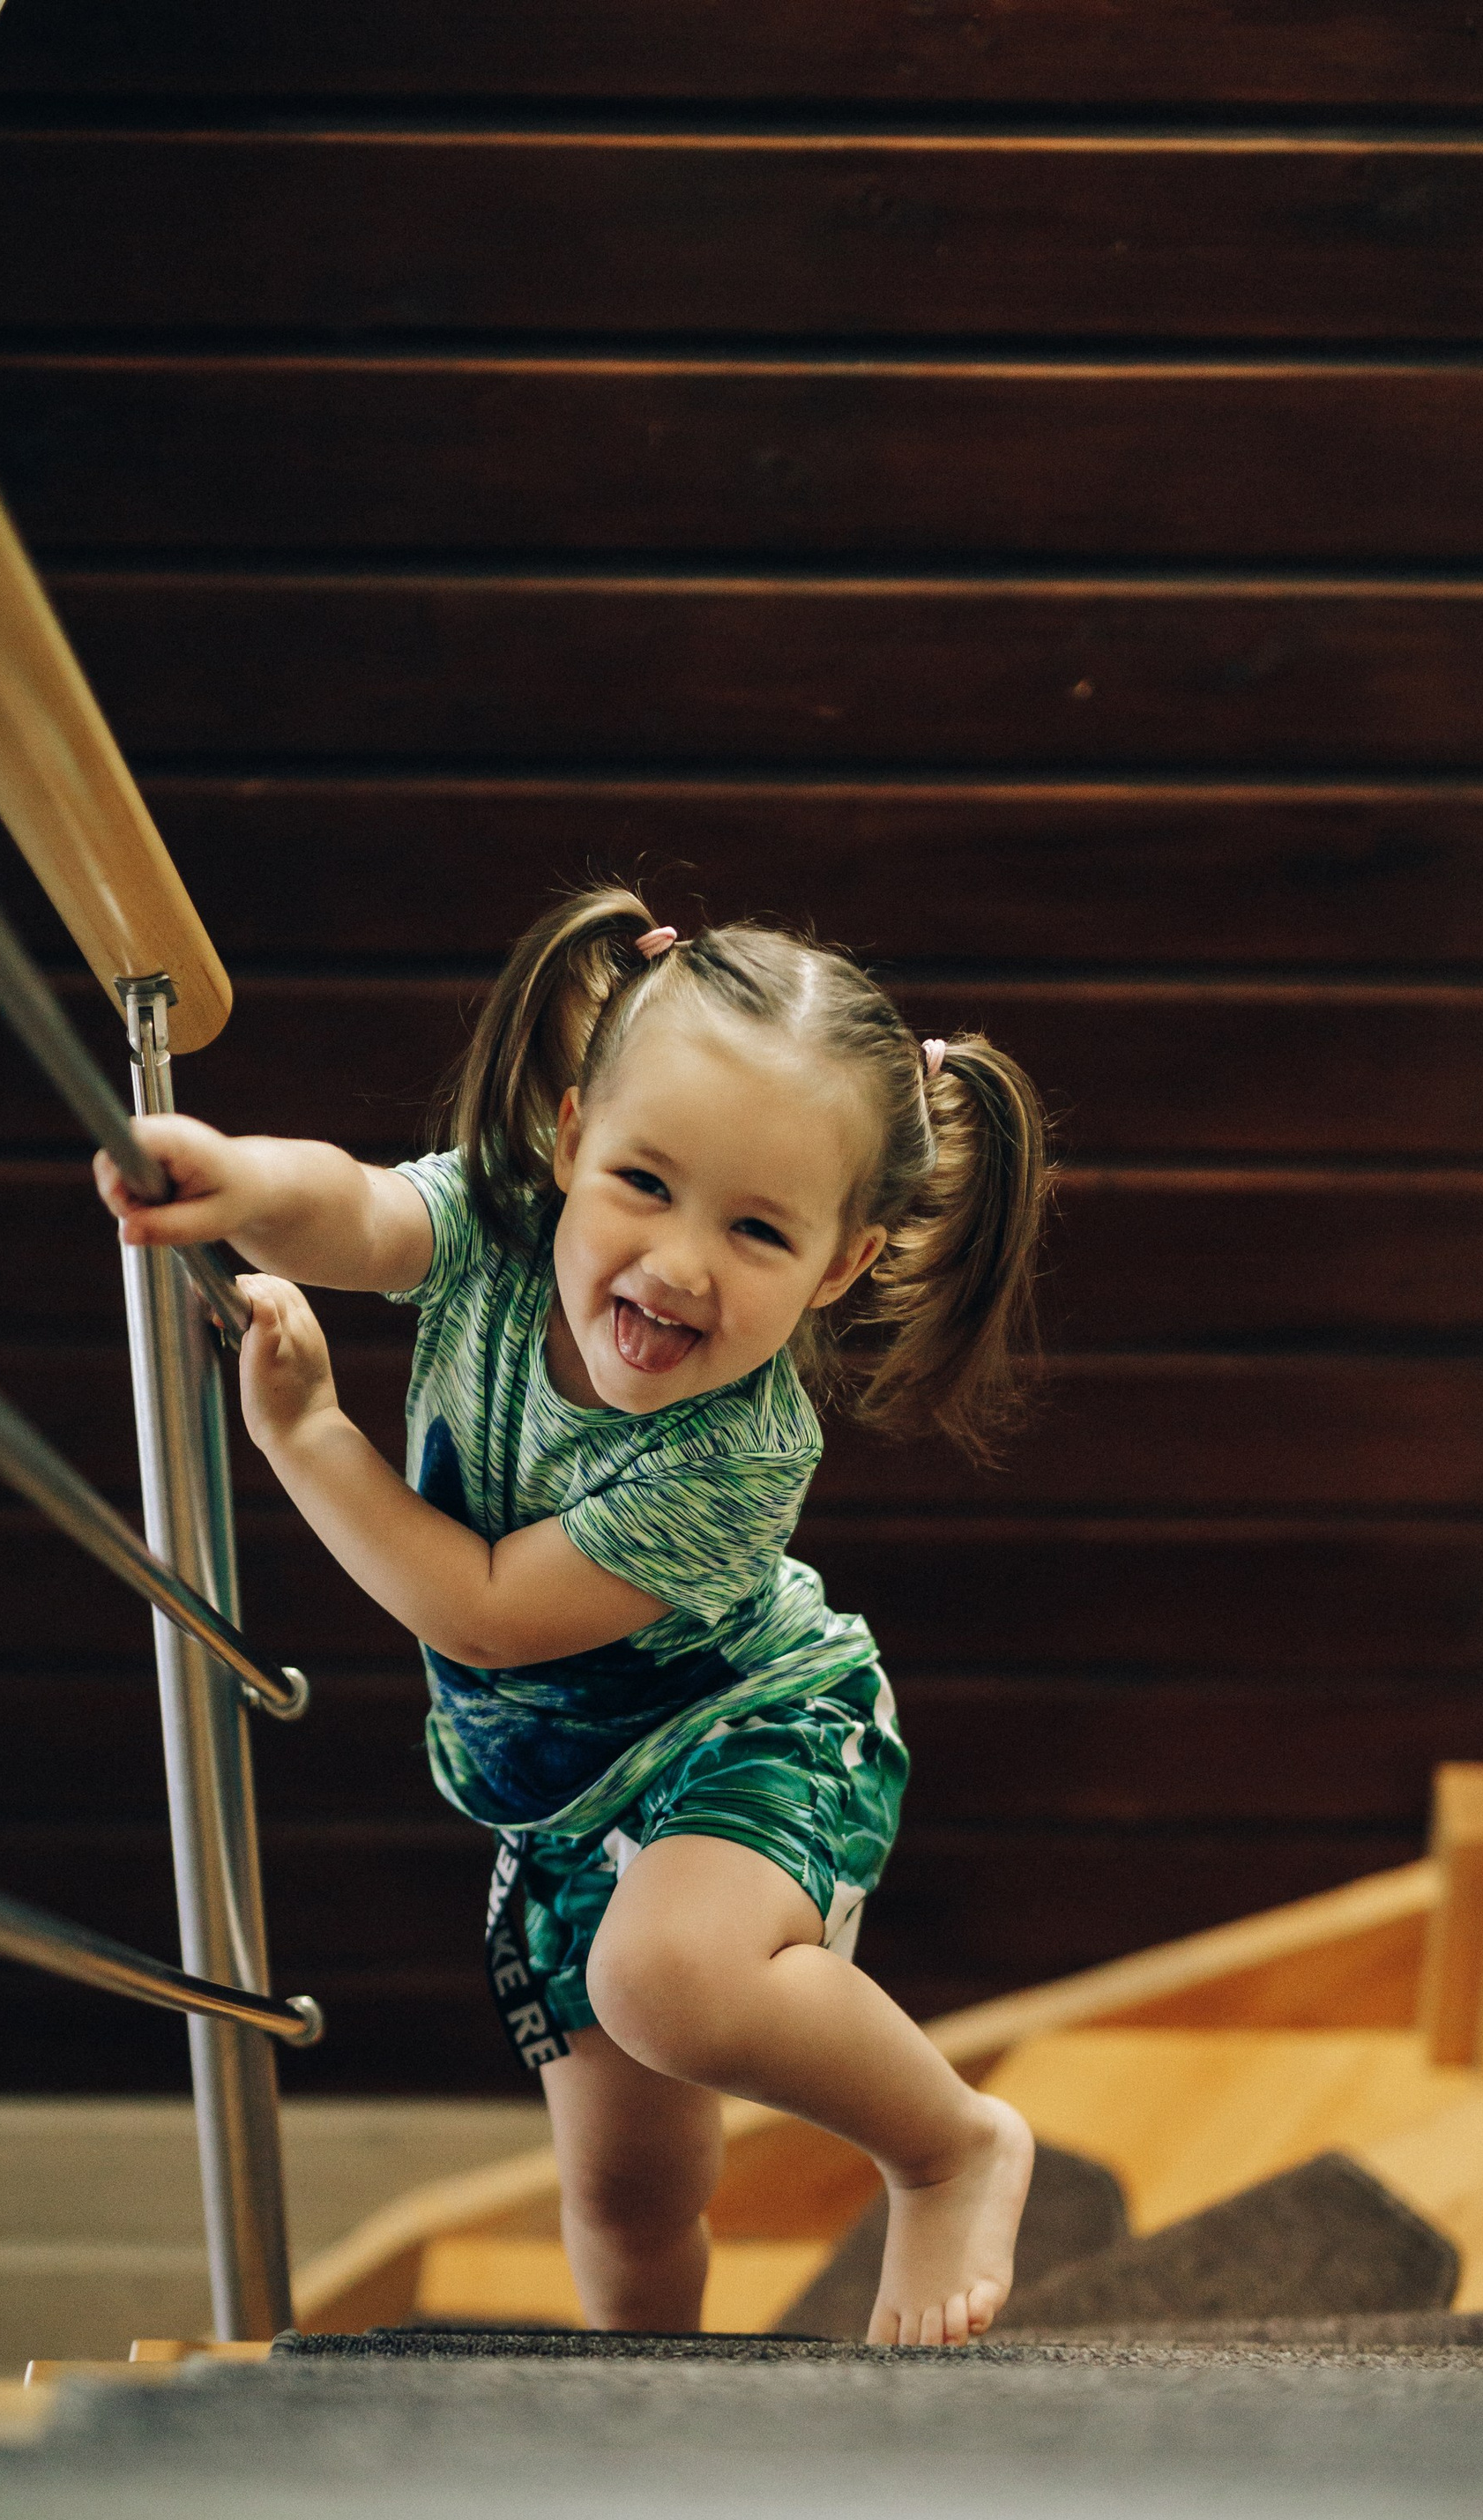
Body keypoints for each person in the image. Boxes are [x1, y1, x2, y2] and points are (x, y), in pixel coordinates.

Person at [94, 888, 1050, 2345]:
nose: (678, 1263)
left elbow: (483, 1616)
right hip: (566, 1808)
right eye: (646, 1184)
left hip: (759, 1734)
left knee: (664, 1976)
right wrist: (229, 1177)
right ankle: (637, 2407)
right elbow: (350, 1210)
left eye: (757, 1229)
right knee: (623, 2199)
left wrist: (307, 1442)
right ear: (567, 1138)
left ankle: (948, 2147)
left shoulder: (742, 1451)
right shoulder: (493, 1224)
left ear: (837, 1268)